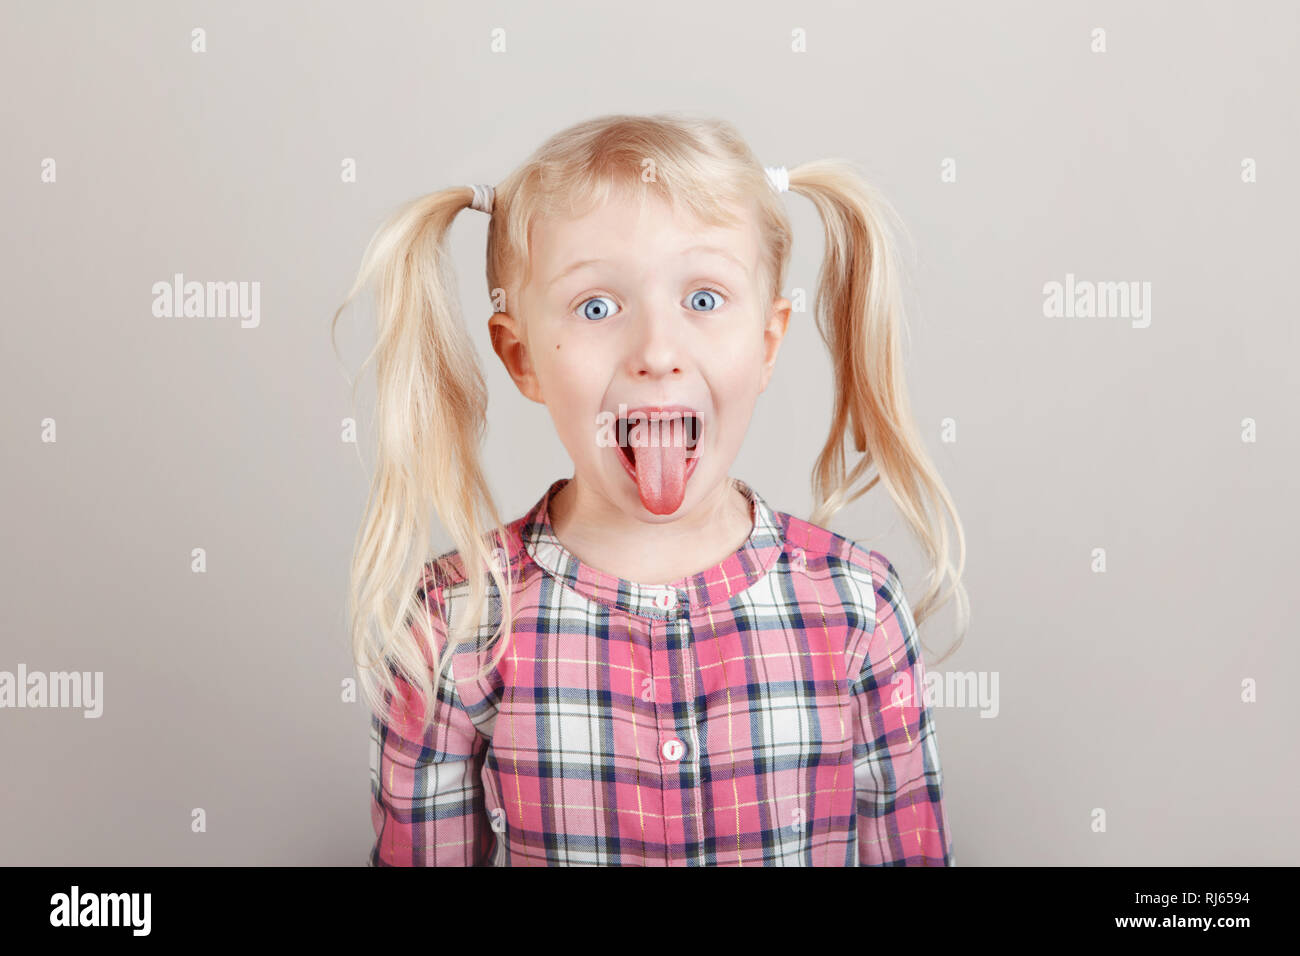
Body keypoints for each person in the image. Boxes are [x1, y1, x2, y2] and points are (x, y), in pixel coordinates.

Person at [333, 112, 969, 866]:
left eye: (703, 299)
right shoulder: (456, 624)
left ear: (768, 343)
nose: (657, 352)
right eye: (597, 307)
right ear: (522, 357)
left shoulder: (858, 608)